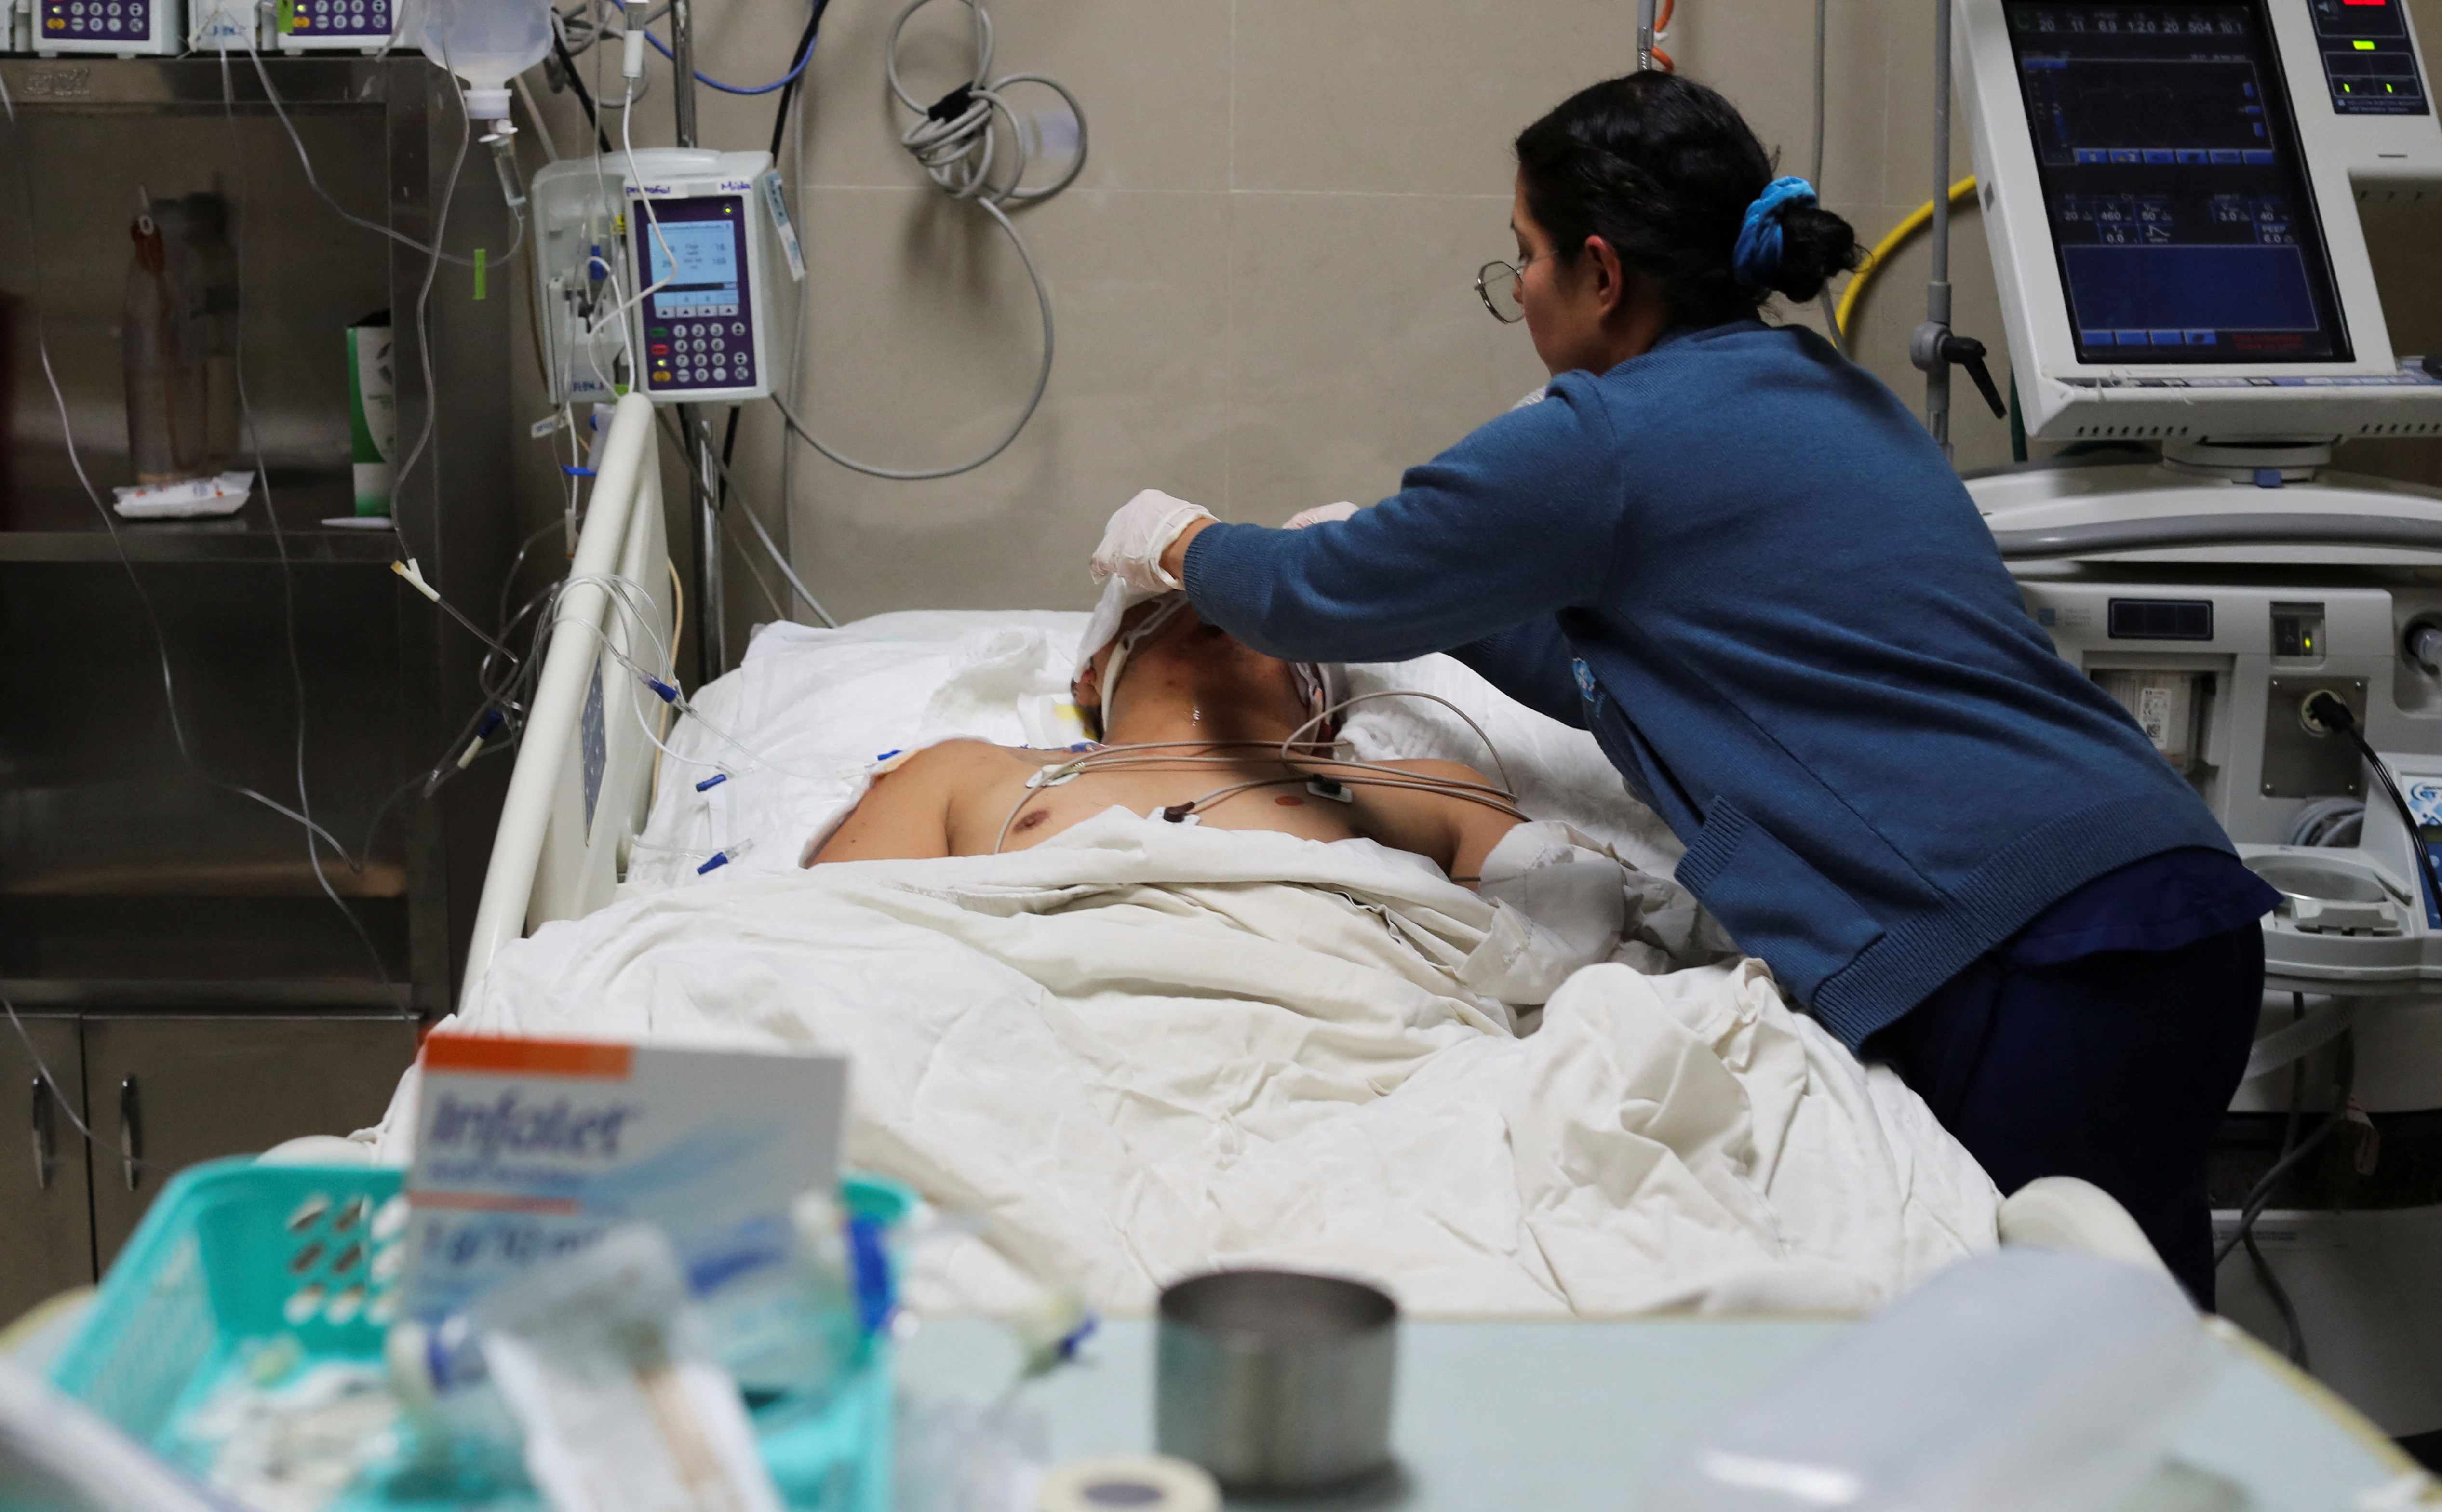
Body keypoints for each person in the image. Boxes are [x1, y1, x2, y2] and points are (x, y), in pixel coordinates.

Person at [1085, 70, 2278, 1305]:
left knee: (2067, 1381)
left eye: (1525, 260)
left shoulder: (1601, 439)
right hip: (2168, 909)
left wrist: (1176, 541)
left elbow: (1306, 593)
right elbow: (1658, 674)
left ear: (1600, 272)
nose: (1523, 295)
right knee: (2133, 1353)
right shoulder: (1831, 393)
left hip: (2036, 958)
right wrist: (1446, 615)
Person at [810, 594, 1525, 881]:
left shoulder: (1430, 791)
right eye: (1165, 593)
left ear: (1325, 707)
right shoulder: (962, 771)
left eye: (1258, 597)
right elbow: (827, 947)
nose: (1211, 599)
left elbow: (1556, 946)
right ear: (1089, 676)